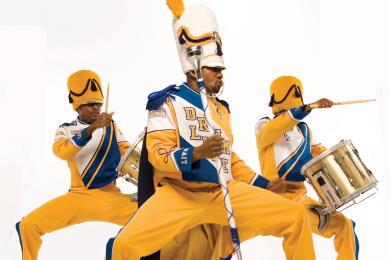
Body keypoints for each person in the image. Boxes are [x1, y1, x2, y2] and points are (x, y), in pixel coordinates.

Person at [105, 4, 316, 260]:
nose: (220, 74)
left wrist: (264, 185)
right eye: (214, 69)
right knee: (124, 246)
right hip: (178, 195)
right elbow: (158, 153)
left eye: (221, 69)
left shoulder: (221, 110)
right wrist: (196, 153)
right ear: (194, 69)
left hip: (222, 192)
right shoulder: (166, 102)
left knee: (295, 216)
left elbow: (229, 159)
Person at [254, 75, 360, 259]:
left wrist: (340, 152)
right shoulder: (263, 124)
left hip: (300, 200)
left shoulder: (304, 131)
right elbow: (269, 132)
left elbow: (322, 155)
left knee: (345, 226)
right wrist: (307, 107)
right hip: (273, 200)